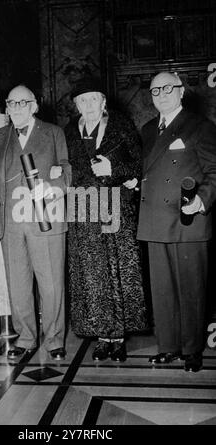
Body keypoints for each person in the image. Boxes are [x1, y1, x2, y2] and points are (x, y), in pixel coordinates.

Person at [137, 71, 216, 372]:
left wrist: (202, 199)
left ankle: (192, 349)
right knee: (162, 290)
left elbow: (215, 172)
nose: (161, 94)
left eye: (168, 88)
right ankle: (167, 346)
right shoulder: (146, 130)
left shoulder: (200, 126)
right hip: (155, 219)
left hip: (187, 220)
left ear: (181, 91)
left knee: (192, 289)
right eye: (155, 90)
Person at [65, 77, 148, 361]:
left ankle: (119, 336)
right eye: (82, 101)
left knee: (117, 270)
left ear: (103, 102)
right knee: (92, 273)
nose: (88, 105)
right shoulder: (68, 131)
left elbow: (138, 164)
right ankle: (102, 335)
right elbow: (64, 167)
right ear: (77, 106)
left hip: (115, 203)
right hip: (82, 207)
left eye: (93, 99)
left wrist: (114, 168)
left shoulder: (121, 125)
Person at [0, 84, 71, 360]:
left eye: (22, 103)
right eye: (11, 103)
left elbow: (67, 170)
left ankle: (54, 339)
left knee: (51, 283)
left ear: (34, 105)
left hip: (45, 217)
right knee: (18, 284)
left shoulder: (53, 132)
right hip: (11, 221)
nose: (15, 108)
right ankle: (25, 338)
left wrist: (51, 186)